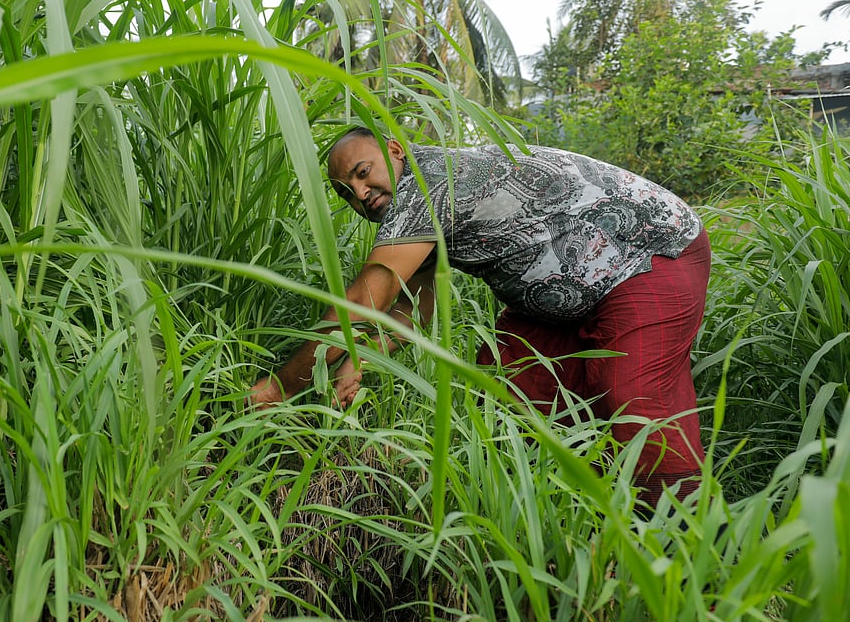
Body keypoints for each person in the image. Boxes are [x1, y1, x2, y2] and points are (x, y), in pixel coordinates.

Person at [248, 127, 711, 506]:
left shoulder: (429, 182)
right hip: (570, 296)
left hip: (649, 256)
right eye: (347, 191)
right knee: (510, 391)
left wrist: (279, 388)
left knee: (636, 401)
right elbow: (412, 309)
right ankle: (584, 523)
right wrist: (358, 358)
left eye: (363, 173)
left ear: (394, 149)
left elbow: (370, 295)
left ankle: (693, 552)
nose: (361, 193)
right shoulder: (421, 209)